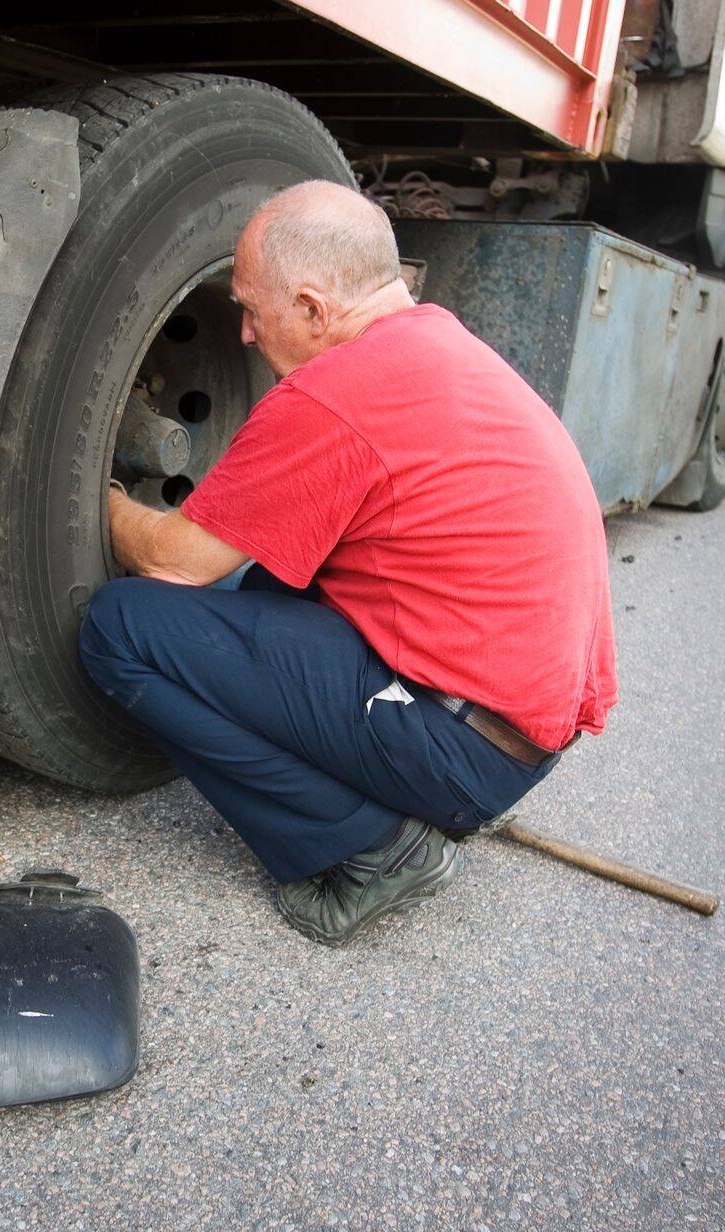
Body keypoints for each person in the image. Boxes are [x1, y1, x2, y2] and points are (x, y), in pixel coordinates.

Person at [78, 180, 617, 946]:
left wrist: (93, 498)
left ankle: (373, 848)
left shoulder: (338, 392)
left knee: (121, 627)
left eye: (252, 311)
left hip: (460, 749)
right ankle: (395, 793)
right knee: (265, 577)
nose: (242, 335)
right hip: (509, 733)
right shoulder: (438, 347)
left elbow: (178, 564)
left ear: (312, 309)